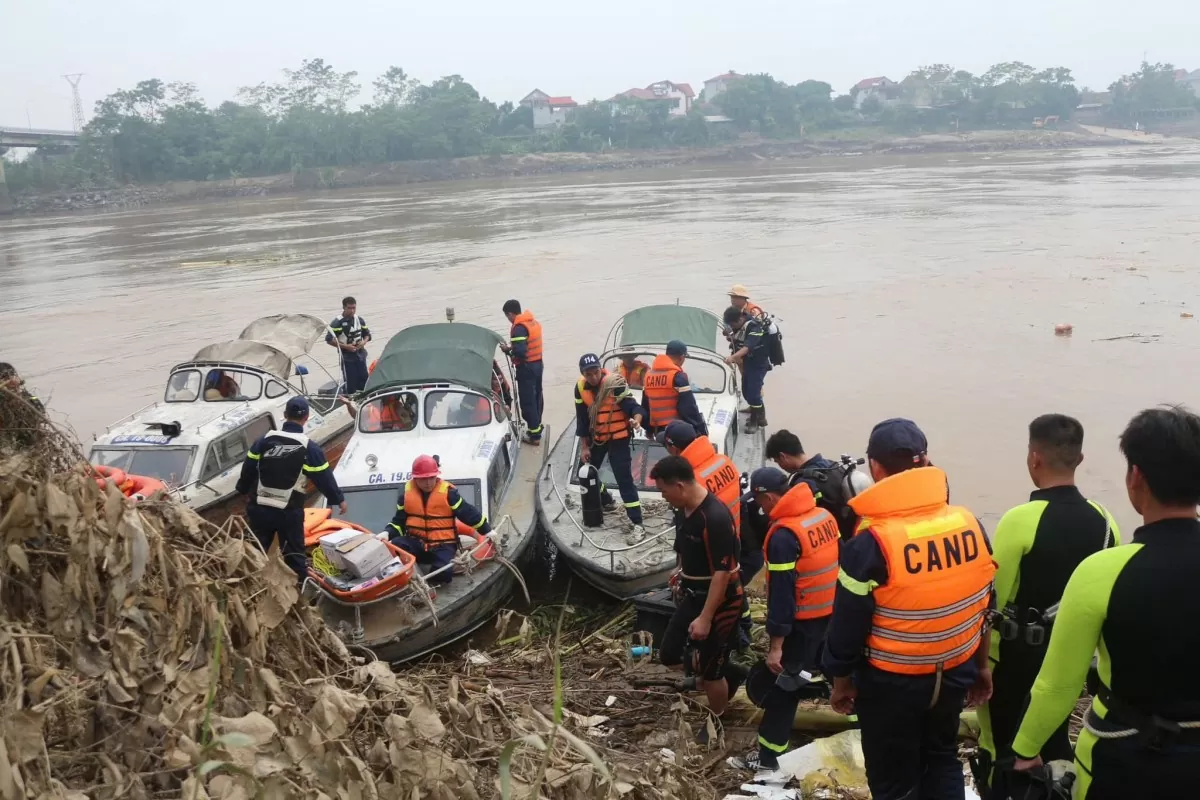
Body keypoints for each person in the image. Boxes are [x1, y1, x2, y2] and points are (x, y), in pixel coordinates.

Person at [1011, 407, 1200, 799]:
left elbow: (1058, 684)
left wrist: (1025, 751)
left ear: (1135, 479)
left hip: (1122, 760)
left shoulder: (1101, 573)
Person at [823, 418, 996, 800]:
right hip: (953, 674)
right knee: (943, 758)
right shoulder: (969, 525)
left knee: (894, 781)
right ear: (926, 461)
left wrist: (840, 680)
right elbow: (984, 605)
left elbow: (846, 628)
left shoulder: (871, 543)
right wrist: (981, 667)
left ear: (875, 468)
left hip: (891, 685)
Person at [976, 414, 1119, 797]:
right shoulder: (1106, 521)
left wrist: (982, 667)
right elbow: (1108, 603)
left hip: (1014, 662)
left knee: (998, 749)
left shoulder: (1019, 521)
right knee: (1054, 742)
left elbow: (991, 604)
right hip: (1068, 665)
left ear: (1034, 458)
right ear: (1080, 459)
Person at [730, 467, 839, 777]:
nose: (761, 508)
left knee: (784, 689)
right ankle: (866, 728)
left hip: (803, 627)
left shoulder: (784, 535)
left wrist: (775, 645)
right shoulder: (823, 517)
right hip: (832, 617)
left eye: (761, 501)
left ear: (768, 495)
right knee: (839, 675)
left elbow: (782, 597)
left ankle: (768, 759)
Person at [653, 454, 747, 737]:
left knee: (711, 674)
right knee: (669, 654)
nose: (663, 497)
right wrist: (679, 573)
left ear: (680, 486)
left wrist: (706, 618)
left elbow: (722, 574)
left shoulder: (715, 517)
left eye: (664, 491)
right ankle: (729, 670)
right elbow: (683, 548)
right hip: (692, 592)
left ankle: (716, 721)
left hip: (720, 600)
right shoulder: (683, 510)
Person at [236, 396, 346, 581]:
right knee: (295, 560)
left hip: (260, 509)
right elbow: (324, 478)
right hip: (288, 513)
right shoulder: (309, 449)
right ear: (306, 418)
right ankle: (298, 600)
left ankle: (247, 590)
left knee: (253, 553)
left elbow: (248, 468)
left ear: (285, 415)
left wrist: (243, 489)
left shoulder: (263, 441)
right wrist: (338, 499)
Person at [388, 454, 491, 585]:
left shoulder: (449, 494)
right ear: (415, 478)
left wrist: (486, 530)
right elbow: (399, 522)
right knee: (395, 544)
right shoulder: (405, 496)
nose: (428, 483)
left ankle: (429, 585)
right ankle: (409, 577)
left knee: (444, 572)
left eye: (431, 478)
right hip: (416, 543)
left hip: (443, 545)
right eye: (423, 479)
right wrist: (387, 532)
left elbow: (467, 512)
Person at [575, 354, 647, 543]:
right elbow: (582, 420)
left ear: (601, 369)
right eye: (588, 374)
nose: (593, 377)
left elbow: (635, 408)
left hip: (618, 439)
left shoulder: (615, 383)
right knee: (585, 472)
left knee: (624, 480)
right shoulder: (580, 388)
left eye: (596, 372)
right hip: (598, 439)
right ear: (583, 374)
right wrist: (584, 447)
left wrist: (636, 421)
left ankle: (637, 523)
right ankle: (607, 500)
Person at [766, 429, 860, 539]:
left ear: (783, 456)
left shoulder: (802, 484)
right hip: (850, 532)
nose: (781, 466)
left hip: (832, 540)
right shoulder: (832, 465)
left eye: (778, 462)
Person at [499, 300, 544, 445]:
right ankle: (536, 427)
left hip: (526, 368)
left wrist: (508, 351)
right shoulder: (532, 322)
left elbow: (520, 352)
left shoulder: (519, 327)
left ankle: (534, 436)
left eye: (507, 317)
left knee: (527, 401)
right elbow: (527, 344)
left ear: (510, 313)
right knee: (537, 396)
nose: (509, 320)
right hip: (537, 364)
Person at [642, 340, 708, 437]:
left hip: (658, 431)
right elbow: (688, 407)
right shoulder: (677, 376)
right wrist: (700, 429)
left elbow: (645, 405)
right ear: (682, 357)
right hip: (677, 430)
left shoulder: (648, 376)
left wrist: (648, 429)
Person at [724, 307, 770, 433]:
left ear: (740, 319)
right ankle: (761, 416)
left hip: (759, 364)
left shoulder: (755, 327)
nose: (732, 327)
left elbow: (747, 348)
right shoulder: (739, 325)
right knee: (746, 391)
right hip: (748, 363)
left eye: (733, 324)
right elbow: (730, 334)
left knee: (754, 393)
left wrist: (733, 357)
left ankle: (755, 421)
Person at [326, 296, 372, 395]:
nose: (352, 311)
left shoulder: (359, 320)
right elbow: (329, 339)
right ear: (344, 308)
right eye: (349, 308)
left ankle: (365, 398)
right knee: (351, 381)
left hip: (360, 355)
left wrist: (364, 342)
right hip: (347, 357)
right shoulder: (337, 322)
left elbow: (367, 335)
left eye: (354, 308)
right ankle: (350, 399)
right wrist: (346, 347)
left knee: (364, 378)